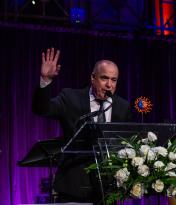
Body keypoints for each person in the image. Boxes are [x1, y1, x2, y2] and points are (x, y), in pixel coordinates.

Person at [32, 48, 132, 203]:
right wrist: (45, 80)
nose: (109, 85)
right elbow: (42, 109)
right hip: (73, 187)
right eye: (104, 78)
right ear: (93, 78)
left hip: (107, 191)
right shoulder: (71, 98)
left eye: (114, 80)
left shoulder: (122, 107)